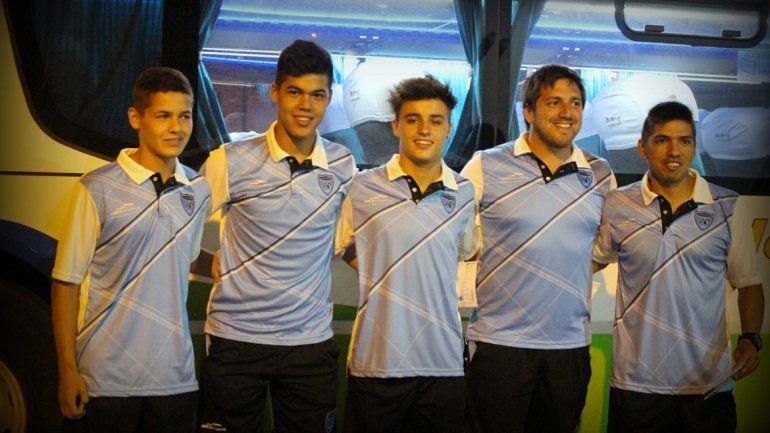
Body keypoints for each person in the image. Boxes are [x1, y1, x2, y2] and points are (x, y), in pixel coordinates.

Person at [200, 40, 356, 433]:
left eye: (317, 95)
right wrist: (206, 262)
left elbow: (349, 239)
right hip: (235, 341)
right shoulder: (229, 160)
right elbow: (172, 226)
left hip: (309, 345)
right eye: (295, 92)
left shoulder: (342, 164)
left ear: (328, 98)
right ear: (275, 93)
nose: (305, 106)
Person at [51, 67, 209, 433]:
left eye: (184, 116)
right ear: (136, 118)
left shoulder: (197, 189)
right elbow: (65, 283)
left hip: (176, 378)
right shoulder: (97, 188)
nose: (177, 128)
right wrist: (68, 372)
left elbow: (186, 258)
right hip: (104, 380)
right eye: (163, 116)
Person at [593, 101, 764, 433]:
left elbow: (749, 284)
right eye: (662, 140)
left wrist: (751, 339)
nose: (674, 150)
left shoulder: (728, 206)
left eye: (684, 140)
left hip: (708, 388)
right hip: (635, 387)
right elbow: (590, 261)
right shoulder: (617, 204)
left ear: (694, 147)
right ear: (642, 147)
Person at [461, 64, 615, 433]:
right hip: (498, 346)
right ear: (528, 111)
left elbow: (600, 251)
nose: (567, 112)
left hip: (568, 349)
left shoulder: (600, 174)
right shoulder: (486, 165)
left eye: (576, 103)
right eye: (554, 102)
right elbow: (459, 240)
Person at [335, 74, 478, 433]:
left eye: (436, 121)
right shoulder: (362, 187)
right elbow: (341, 246)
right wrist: (381, 273)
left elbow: (464, 253)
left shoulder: (464, 192)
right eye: (413, 119)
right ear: (396, 126)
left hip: (443, 365)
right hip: (375, 363)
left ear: (448, 129)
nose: (424, 130)